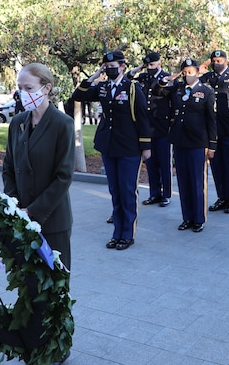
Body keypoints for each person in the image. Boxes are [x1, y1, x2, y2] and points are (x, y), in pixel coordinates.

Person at [72, 50, 151, 251]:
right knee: (114, 191)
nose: (109, 69)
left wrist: (146, 146)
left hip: (129, 147)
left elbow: (142, 117)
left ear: (123, 66)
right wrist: (94, 76)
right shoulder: (103, 86)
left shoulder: (133, 88)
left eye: (113, 66)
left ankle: (127, 234)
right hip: (109, 145)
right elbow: (78, 95)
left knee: (127, 191)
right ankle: (116, 233)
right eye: (106, 67)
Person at [3, 63, 74, 270]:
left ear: (47, 88)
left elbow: (63, 176)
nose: (23, 93)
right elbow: (8, 166)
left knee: (54, 285)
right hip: (21, 218)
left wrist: (33, 211)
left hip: (52, 221)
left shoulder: (63, 124)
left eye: (29, 88)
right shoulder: (18, 122)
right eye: (20, 87)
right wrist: (14, 203)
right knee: (27, 284)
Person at [157, 58, 216, 232]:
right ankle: (187, 217)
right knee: (183, 182)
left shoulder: (206, 92)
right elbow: (158, 91)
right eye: (184, 72)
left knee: (197, 182)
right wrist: (167, 79)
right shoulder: (177, 89)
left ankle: (198, 219)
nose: (187, 76)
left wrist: (212, 145)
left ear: (197, 72)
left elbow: (211, 120)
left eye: (190, 72)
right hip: (179, 141)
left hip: (197, 142)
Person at [200, 50, 229, 214]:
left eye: (219, 60)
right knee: (216, 165)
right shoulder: (207, 78)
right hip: (212, 129)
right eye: (213, 60)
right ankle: (221, 197)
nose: (216, 63)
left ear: (226, 61)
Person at [128, 51, 172, 207]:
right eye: (147, 66)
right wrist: (137, 69)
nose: (149, 68)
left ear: (159, 63)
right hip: (146, 127)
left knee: (164, 162)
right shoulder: (143, 77)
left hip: (162, 126)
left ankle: (166, 194)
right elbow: (127, 78)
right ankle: (155, 193)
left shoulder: (167, 77)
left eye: (152, 65)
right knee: (151, 163)